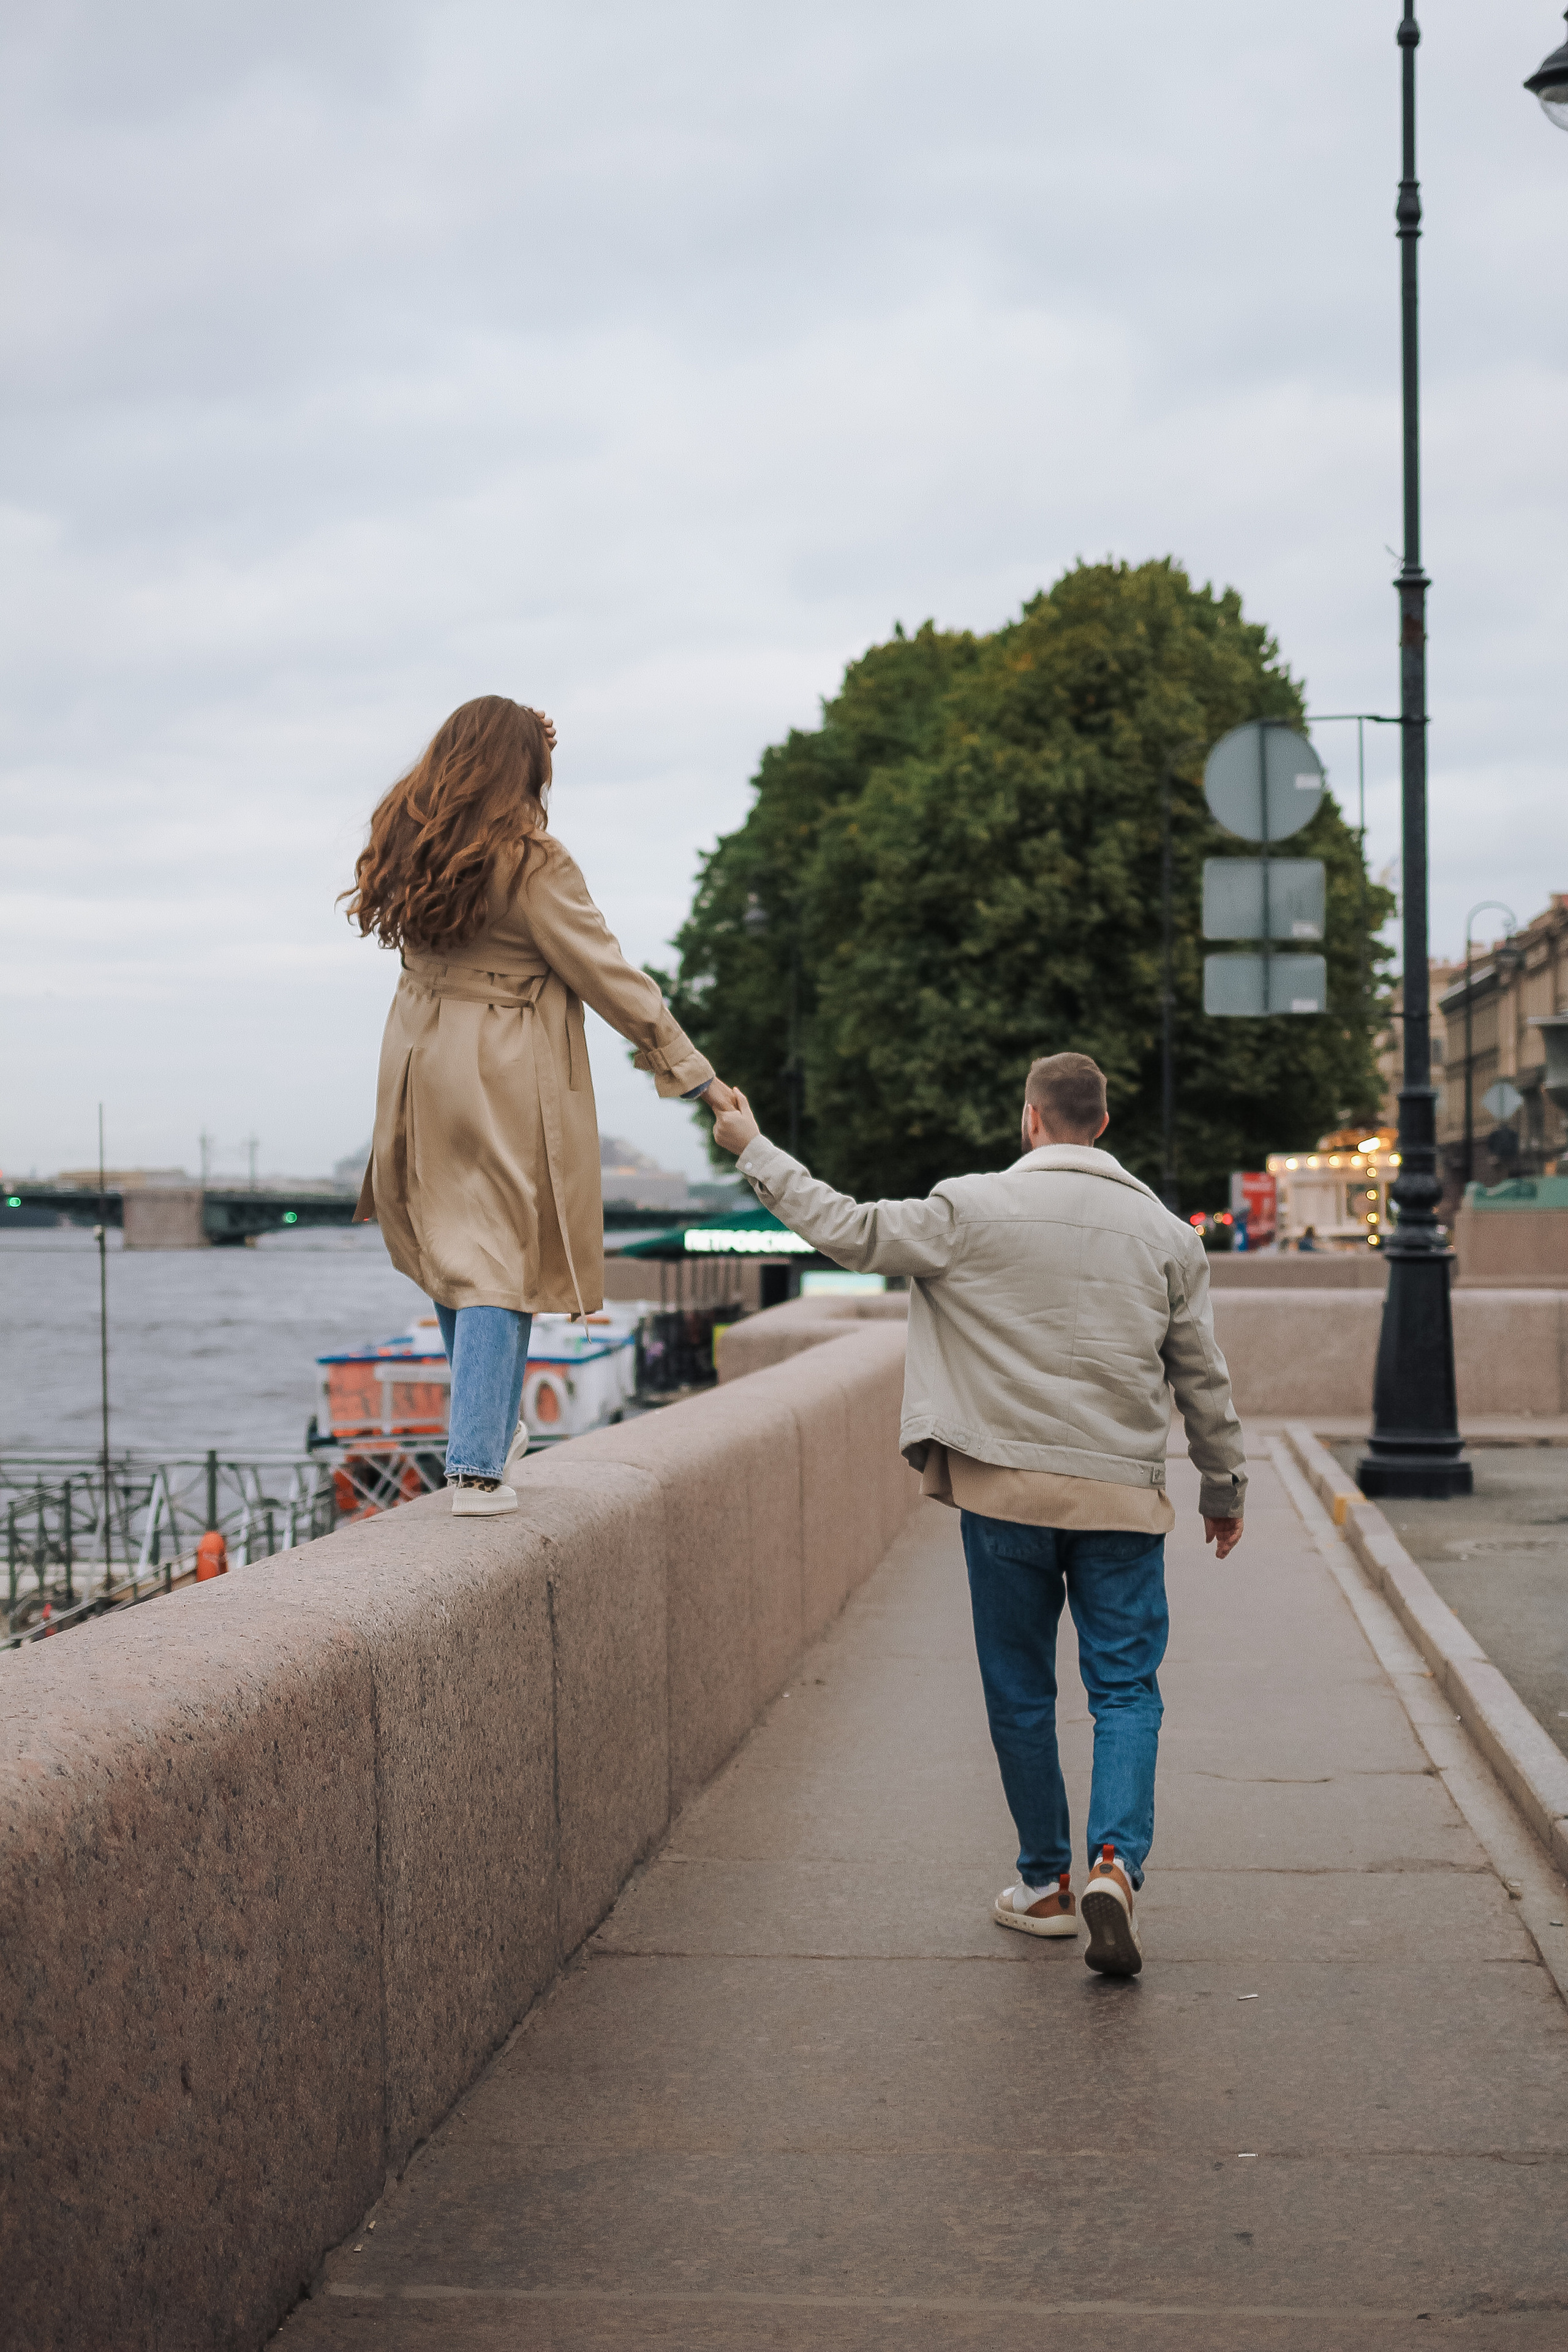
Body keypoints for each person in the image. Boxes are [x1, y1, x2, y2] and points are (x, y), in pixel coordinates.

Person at [708, 1052, 1245, 1978]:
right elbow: (1203, 1377)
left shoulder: (965, 1208)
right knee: (1124, 1691)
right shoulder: (1168, 1236)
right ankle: (1116, 1863)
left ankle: (1045, 1884)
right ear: (1103, 1127)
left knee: (1021, 1692)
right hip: (1119, 1496)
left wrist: (752, 1145)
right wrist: (1223, 1489)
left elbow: (844, 1229)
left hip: (1004, 1494)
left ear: (1030, 1120)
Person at [346, 696, 720, 1517]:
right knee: (499, 1253)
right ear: (524, 771)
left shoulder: (406, 836)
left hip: (415, 1054)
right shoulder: (532, 861)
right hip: (497, 1061)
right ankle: (478, 1464)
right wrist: (694, 1074)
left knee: (451, 1242)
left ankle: (489, 1426)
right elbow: (609, 975)